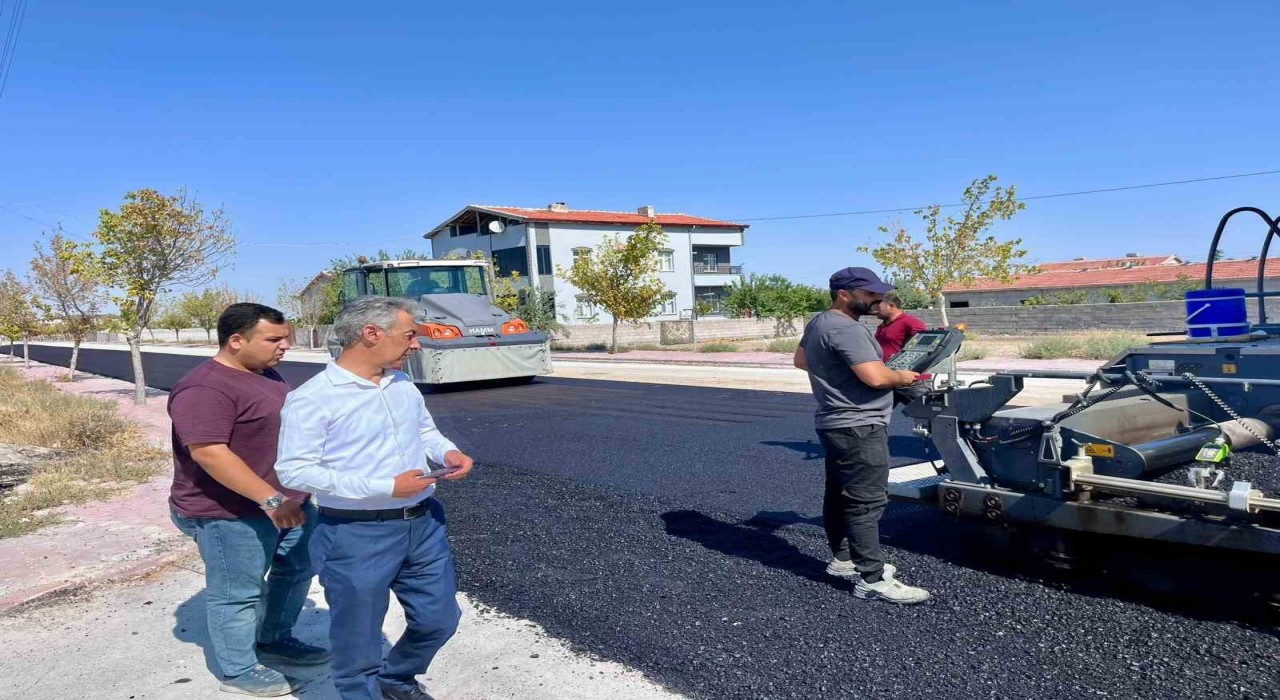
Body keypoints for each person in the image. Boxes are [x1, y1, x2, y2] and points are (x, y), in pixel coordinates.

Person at [276, 296, 474, 700]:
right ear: (371, 334)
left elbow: (423, 432)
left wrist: (447, 451)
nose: (416, 343)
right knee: (358, 644)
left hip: (423, 524)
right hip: (354, 534)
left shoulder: (400, 383)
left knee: (440, 619)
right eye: (408, 335)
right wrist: (386, 486)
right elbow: (294, 470)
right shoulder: (313, 398)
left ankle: (397, 679)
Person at [168, 303, 328, 698]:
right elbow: (209, 453)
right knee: (237, 592)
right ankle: (238, 669)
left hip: (288, 503)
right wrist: (272, 500)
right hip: (230, 513)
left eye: (285, 338)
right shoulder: (205, 388)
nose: (285, 346)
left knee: (295, 573)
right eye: (274, 339)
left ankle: (275, 639)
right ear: (236, 341)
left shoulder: (265, 374)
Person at [793, 267, 932, 605]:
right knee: (866, 502)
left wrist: (838, 379)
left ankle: (843, 560)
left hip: (835, 421)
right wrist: (903, 376)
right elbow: (875, 378)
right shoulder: (846, 328)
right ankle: (872, 578)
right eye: (870, 293)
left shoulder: (819, 322)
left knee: (841, 494)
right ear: (844, 294)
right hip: (860, 425)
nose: (878, 298)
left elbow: (800, 360)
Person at [872, 292, 933, 406]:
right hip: (890, 379)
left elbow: (923, 350)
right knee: (877, 417)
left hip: (912, 382)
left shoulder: (910, 322)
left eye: (878, 306)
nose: (875, 310)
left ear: (891, 306)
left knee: (929, 417)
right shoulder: (882, 326)